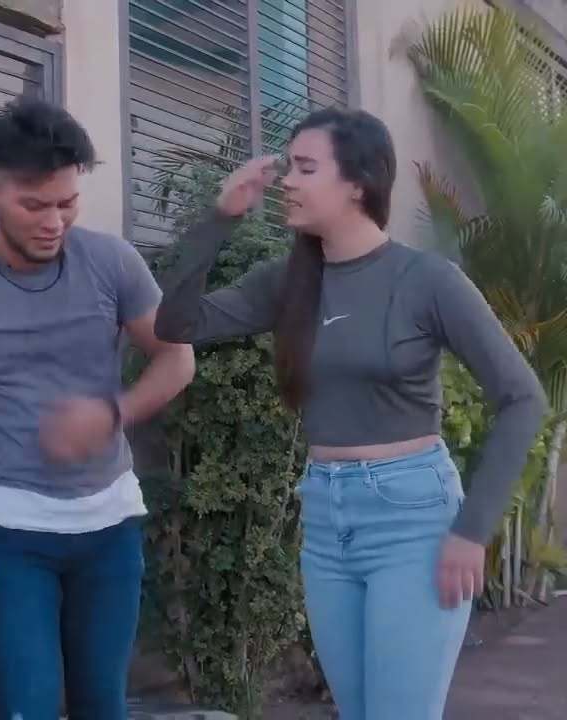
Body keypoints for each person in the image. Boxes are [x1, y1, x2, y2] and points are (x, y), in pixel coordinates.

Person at [153, 107, 547, 720]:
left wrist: (472, 530)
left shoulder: (425, 280)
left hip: (411, 519)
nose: (288, 181)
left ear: (358, 183)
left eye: (306, 168)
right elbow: (176, 323)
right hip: (326, 518)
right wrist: (221, 218)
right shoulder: (288, 282)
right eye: (289, 167)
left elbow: (523, 399)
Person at [0, 97, 194, 720]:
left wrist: (112, 414)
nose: (54, 222)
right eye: (34, 206)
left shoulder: (112, 263)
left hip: (109, 524)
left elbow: (177, 358)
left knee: (102, 705)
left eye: (67, 203)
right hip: (6, 528)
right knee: (26, 705)